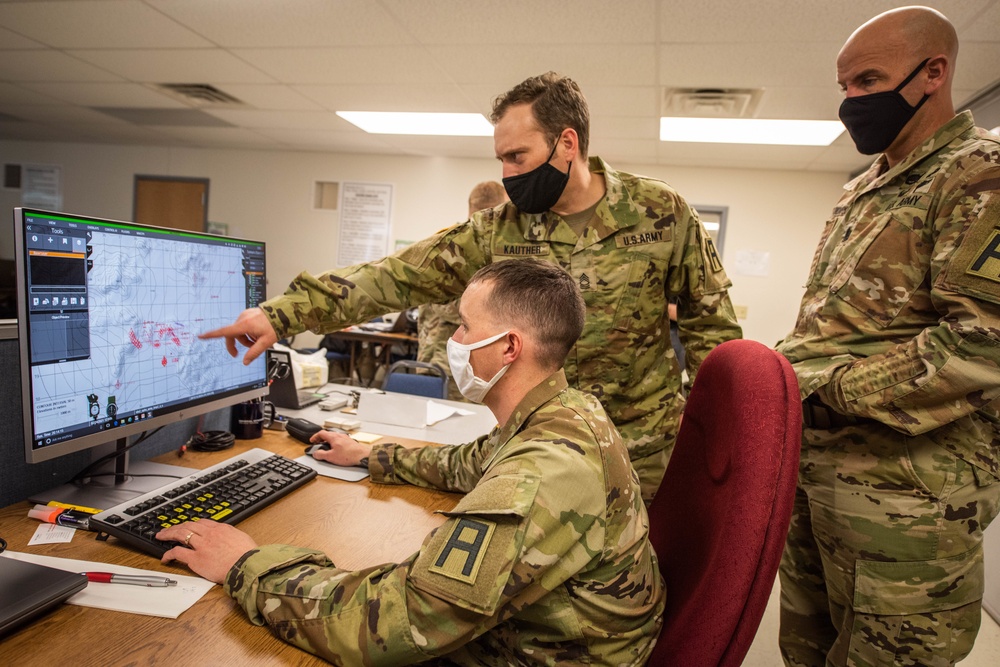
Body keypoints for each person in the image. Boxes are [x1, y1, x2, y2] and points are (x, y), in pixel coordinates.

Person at [203, 72, 741, 503]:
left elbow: (713, 328)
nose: (507, 174)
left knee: (636, 589)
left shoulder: (660, 212)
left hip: (642, 449)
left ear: (567, 143)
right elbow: (397, 275)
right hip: (531, 446)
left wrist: (711, 432)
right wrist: (285, 314)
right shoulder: (499, 229)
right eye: (500, 159)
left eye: (518, 157)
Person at [159, 259, 665, 665]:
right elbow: (472, 463)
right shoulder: (565, 412)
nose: (455, 341)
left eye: (465, 327)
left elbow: (398, 623)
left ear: (510, 346)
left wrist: (246, 566)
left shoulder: (542, 473)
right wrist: (371, 455)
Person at [775, 7, 1000, 666]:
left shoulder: (979, 174)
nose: (852, 101)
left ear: (933, 74)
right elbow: (833, 324)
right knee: (808, 651)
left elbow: (982, 341)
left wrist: (821, 390)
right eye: (845, 86)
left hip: (909, 504)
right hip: (819, 481)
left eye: (869, 81)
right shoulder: (862, 191)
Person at [417, 181, 509, 401]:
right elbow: (442, 305)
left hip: (478, 363)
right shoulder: (450, 246)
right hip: (441, 358)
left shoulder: (497, 248)